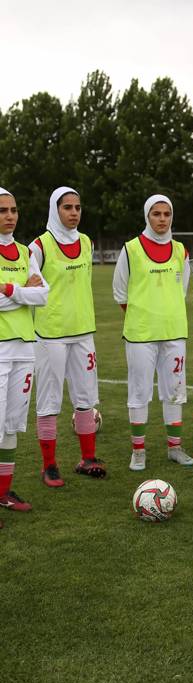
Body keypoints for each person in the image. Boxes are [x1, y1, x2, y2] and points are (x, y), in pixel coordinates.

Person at [112, 194, 193, 471]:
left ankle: (175, 448)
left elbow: (181, 289)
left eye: (166, 214)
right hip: (140, 335)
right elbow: (120, 291)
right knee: (139, 392)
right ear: (147, 216)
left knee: (175, 391)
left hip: (173, 332)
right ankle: (138, 451)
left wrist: (165, 314)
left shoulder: (181, 250)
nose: (162, 219)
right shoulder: (131, 249)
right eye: (156, 214)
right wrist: (142, 316)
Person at [29, 186, 105, 487]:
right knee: (49, 401)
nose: (74, 213)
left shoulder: (86, 242)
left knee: (85, 398)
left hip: (83, 331)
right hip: (50, 334)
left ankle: (88, 459)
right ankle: (49, 466)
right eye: (67, 207)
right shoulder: (39, 246)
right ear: (55, 210)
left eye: (77, 207)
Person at [0, 187, 48, 525]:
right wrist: (24, 291)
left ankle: (4, 492)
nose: (10, 216)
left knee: (13, 424)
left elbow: (43, 294)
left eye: (13, 210)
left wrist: (9, 289)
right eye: (3, 211)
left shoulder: (23, 251)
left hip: (25, 347)